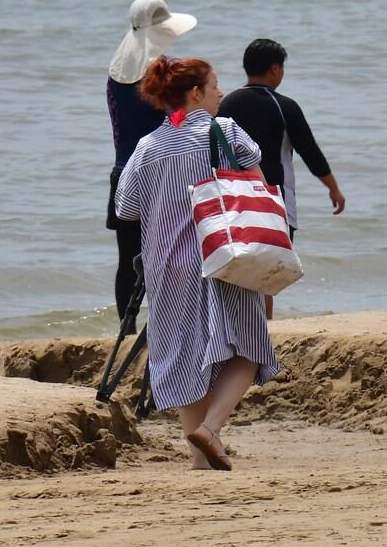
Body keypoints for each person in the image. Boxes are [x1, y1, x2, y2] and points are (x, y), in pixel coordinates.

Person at [115, 57, 279, 471]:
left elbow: (125, 208)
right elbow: (258, 188)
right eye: (215, 85)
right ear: (195, 93)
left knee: (184, 357)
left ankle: (200, 463)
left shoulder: (148, 146)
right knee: (249, 348)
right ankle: (211, 428)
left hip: (167, 267)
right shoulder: (224, 131)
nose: (220, 93)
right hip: (223, 257)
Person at [218, 38, 344, 319]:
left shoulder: (227, 104)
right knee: (267, 273)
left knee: (237, 269)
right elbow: (309, 152)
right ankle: (264, 327)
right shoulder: (284, 106)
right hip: (275, 202)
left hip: (232, 199)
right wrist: (333, 188)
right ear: (275, 69)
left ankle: (237, 325)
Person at [106, 0, 196, 328]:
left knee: (127, 260)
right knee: (170, 255)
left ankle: (127, 329)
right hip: (161, 173)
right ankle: (166, 325)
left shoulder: (116, 72)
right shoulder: (162, 73)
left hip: (123, 173)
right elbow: (177, 121)